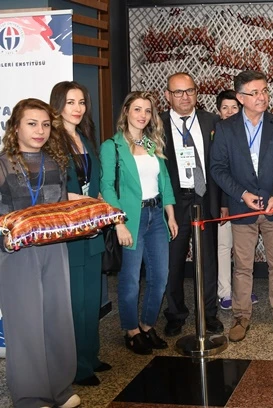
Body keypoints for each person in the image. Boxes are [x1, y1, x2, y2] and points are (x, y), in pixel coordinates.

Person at [0, 98, 80, 408]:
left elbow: (60, 205)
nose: (40, 130)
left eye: (45, 124)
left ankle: (60, 389)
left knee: (57, 318)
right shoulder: (3, 164)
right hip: (16, 252)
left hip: (53, 248)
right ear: (15, 127)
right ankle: (31, 397)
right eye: (32, 124)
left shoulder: (55, 162)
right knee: (26, 323)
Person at [210, 71, 273, 341]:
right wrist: (242, 194)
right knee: (243, 267)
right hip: (242, 207)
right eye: (255, 92)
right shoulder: (226, 128)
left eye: (264, 91)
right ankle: (241, 316)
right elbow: (218, 168)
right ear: (240, 97)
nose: (262, 97)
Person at [100, 91, 179, 355]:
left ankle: (147, 325)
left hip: (156, 216)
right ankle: (131, 330)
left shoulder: (150, 143)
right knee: (131, 279)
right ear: (126, 112)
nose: (142, 115)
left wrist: (170, 214)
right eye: (137, 109)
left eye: (147, 110)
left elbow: (163, 181)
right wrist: (119, 223)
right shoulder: (112, 146)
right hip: (130, 218)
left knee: (160, 276)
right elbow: (107, 187)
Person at [50, 81, 110, 386]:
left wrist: (99, 201)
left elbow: (93, 181)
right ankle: (77, 368)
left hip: (91, 229)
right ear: (58, 104)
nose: (77, 108)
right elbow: (50, 188)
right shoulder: (51, 141)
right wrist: (77, 198)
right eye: (71, 102)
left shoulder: (84, 138)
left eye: (82, 102)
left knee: (91, 298)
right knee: (75, 302)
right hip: (69, 232)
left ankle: (91, 356)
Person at [161, 72, 223, 337]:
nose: (185, 97)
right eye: (178, 92)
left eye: (190, 91)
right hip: (174, 201)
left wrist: (221, 203)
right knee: (172, 261)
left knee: (207, 260)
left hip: (204, 197)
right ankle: (175, 314)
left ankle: (208, 313)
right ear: (168, 96)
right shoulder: (157, 124)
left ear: (197, 92)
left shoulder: (212, 122)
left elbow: (221, 164)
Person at [213, 89, 260, 310]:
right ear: (218, 111)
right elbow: (218, 173)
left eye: (234, 107)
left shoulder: (249, 131)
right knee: (224, 246)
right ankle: (224, 292)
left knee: (245, 249)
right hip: (224, 201)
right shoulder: (217, 133)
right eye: (225, 108)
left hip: (245, 201)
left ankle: (244, 290)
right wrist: (223, 204)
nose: (230, 112)